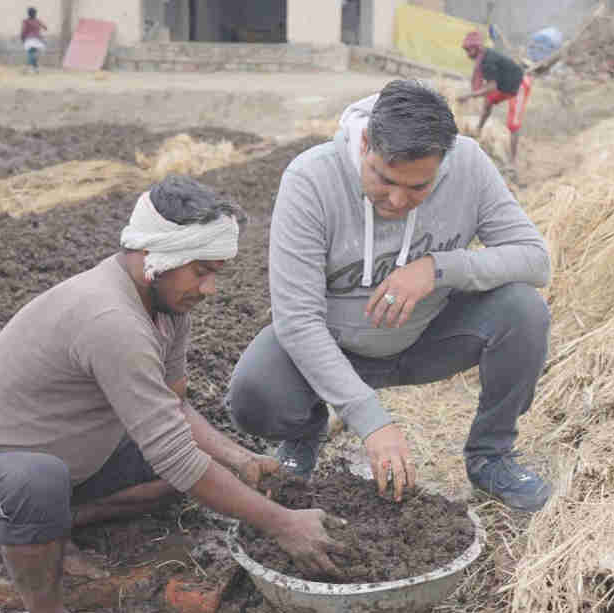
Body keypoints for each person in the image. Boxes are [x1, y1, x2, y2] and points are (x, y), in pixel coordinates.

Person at [0, 175, 348, 613]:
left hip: (69, 465)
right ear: (160, 257)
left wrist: (240, 458)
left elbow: (173, 408)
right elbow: (175, 453)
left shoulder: (165, 305)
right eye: (203, 271)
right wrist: (282, 524)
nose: (210, 289)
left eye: (218, 273)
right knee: (46, 480)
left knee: (191, 475)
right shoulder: (110, 318)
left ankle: (55, 526)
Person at [227, 80, 553, 513]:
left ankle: (491, 456)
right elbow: (298, 320)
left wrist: (437, 268)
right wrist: (372, 421)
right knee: (254, 394)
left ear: (443, 162)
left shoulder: (469, 166)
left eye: (419, 188)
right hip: (336, 344)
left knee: (524, 310)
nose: (398, 200)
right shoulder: (311, 180)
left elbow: (535, 261)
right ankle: (305, 432)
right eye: (384, 179)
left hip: (428, 338)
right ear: (365, 144)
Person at [456, 30, 533, 169]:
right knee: (488, 101)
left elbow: (491, 86)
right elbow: (491, 87)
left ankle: (512, 163)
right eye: (465, 50)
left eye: (469, 50)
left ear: (477, 48)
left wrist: (468, 96)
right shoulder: (484, 58)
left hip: (519, 85)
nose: (467, 54)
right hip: (505, 86)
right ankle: (478, 131)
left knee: (513, 124)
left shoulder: (487, 61)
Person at [20, 7, 48, 73]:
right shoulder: (37, 21)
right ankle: (35, 69)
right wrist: (41, 27)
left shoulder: (26, 21)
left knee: (31, 54)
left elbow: (23, 31)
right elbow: (45, 27)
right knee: (33, 54)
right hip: (37, 40)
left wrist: (22, 38)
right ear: (35, 14)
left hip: (29, 40)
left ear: (28, 14)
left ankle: (27, 67)